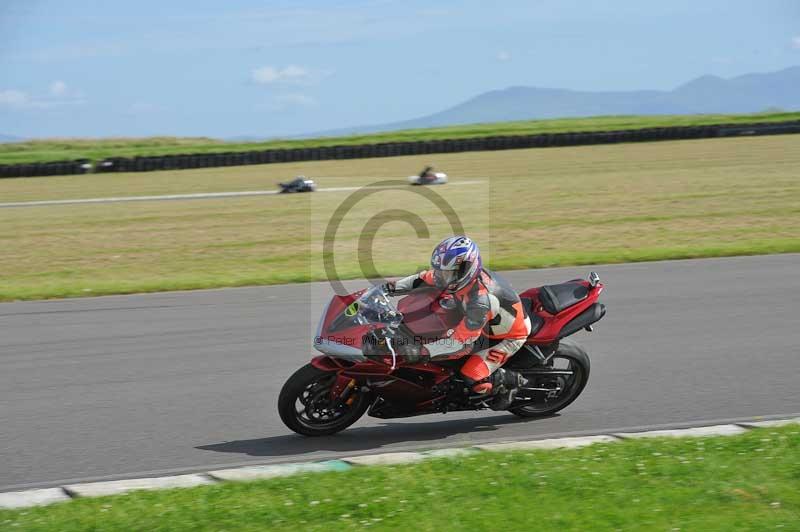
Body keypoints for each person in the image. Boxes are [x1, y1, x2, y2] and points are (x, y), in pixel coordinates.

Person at [385, 236, 531, 410]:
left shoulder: (480, 301)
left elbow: (461, 343)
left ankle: (508, 383)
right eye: (440, 271)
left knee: (472, 376)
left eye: (447, 273)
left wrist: (422, 351)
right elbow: (423, 279)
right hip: (480, 321)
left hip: (506, 336)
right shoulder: (457, 278)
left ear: (466, 270)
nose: (442, 277)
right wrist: (389, 288)